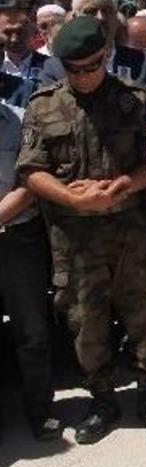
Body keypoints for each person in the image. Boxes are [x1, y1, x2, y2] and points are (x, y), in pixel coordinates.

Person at [16, 16, 146, 444]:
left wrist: (126, 183)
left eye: (92, 67)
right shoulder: (43, 105)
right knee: (85, 322)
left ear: (105, 57)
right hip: (74, 239)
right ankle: (102, 399)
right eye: (75, 70)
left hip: (131, 235)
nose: (85, 77)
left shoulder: (134, 100)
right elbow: (31, 171)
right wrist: (72, 199)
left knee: (143, 316)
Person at [0, 98, 59, 441]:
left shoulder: (22, 120)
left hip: (17, 237)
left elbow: (30, 182)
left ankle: (40, 410)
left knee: (31, 331)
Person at [40, 0, 146, 86]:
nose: (100, 17)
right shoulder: (56, 68)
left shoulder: (142, 62)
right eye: (91, 12)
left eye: (107, 11)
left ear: (116, 18)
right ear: (75, 18)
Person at [0, 0, 50, 107]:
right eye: (7, 32)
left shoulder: (52, 67)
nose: (14, 39)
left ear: (33, 30)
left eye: (20, 31)